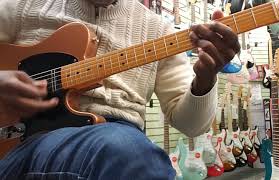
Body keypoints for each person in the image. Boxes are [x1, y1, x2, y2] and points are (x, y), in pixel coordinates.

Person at [0, 0, 240, 179]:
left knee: (131, 153)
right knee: (130, 154)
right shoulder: (22, 5)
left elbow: (192, 125)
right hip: (23, 141)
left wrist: (206, 79)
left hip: (121, 139)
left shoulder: (159, 30)